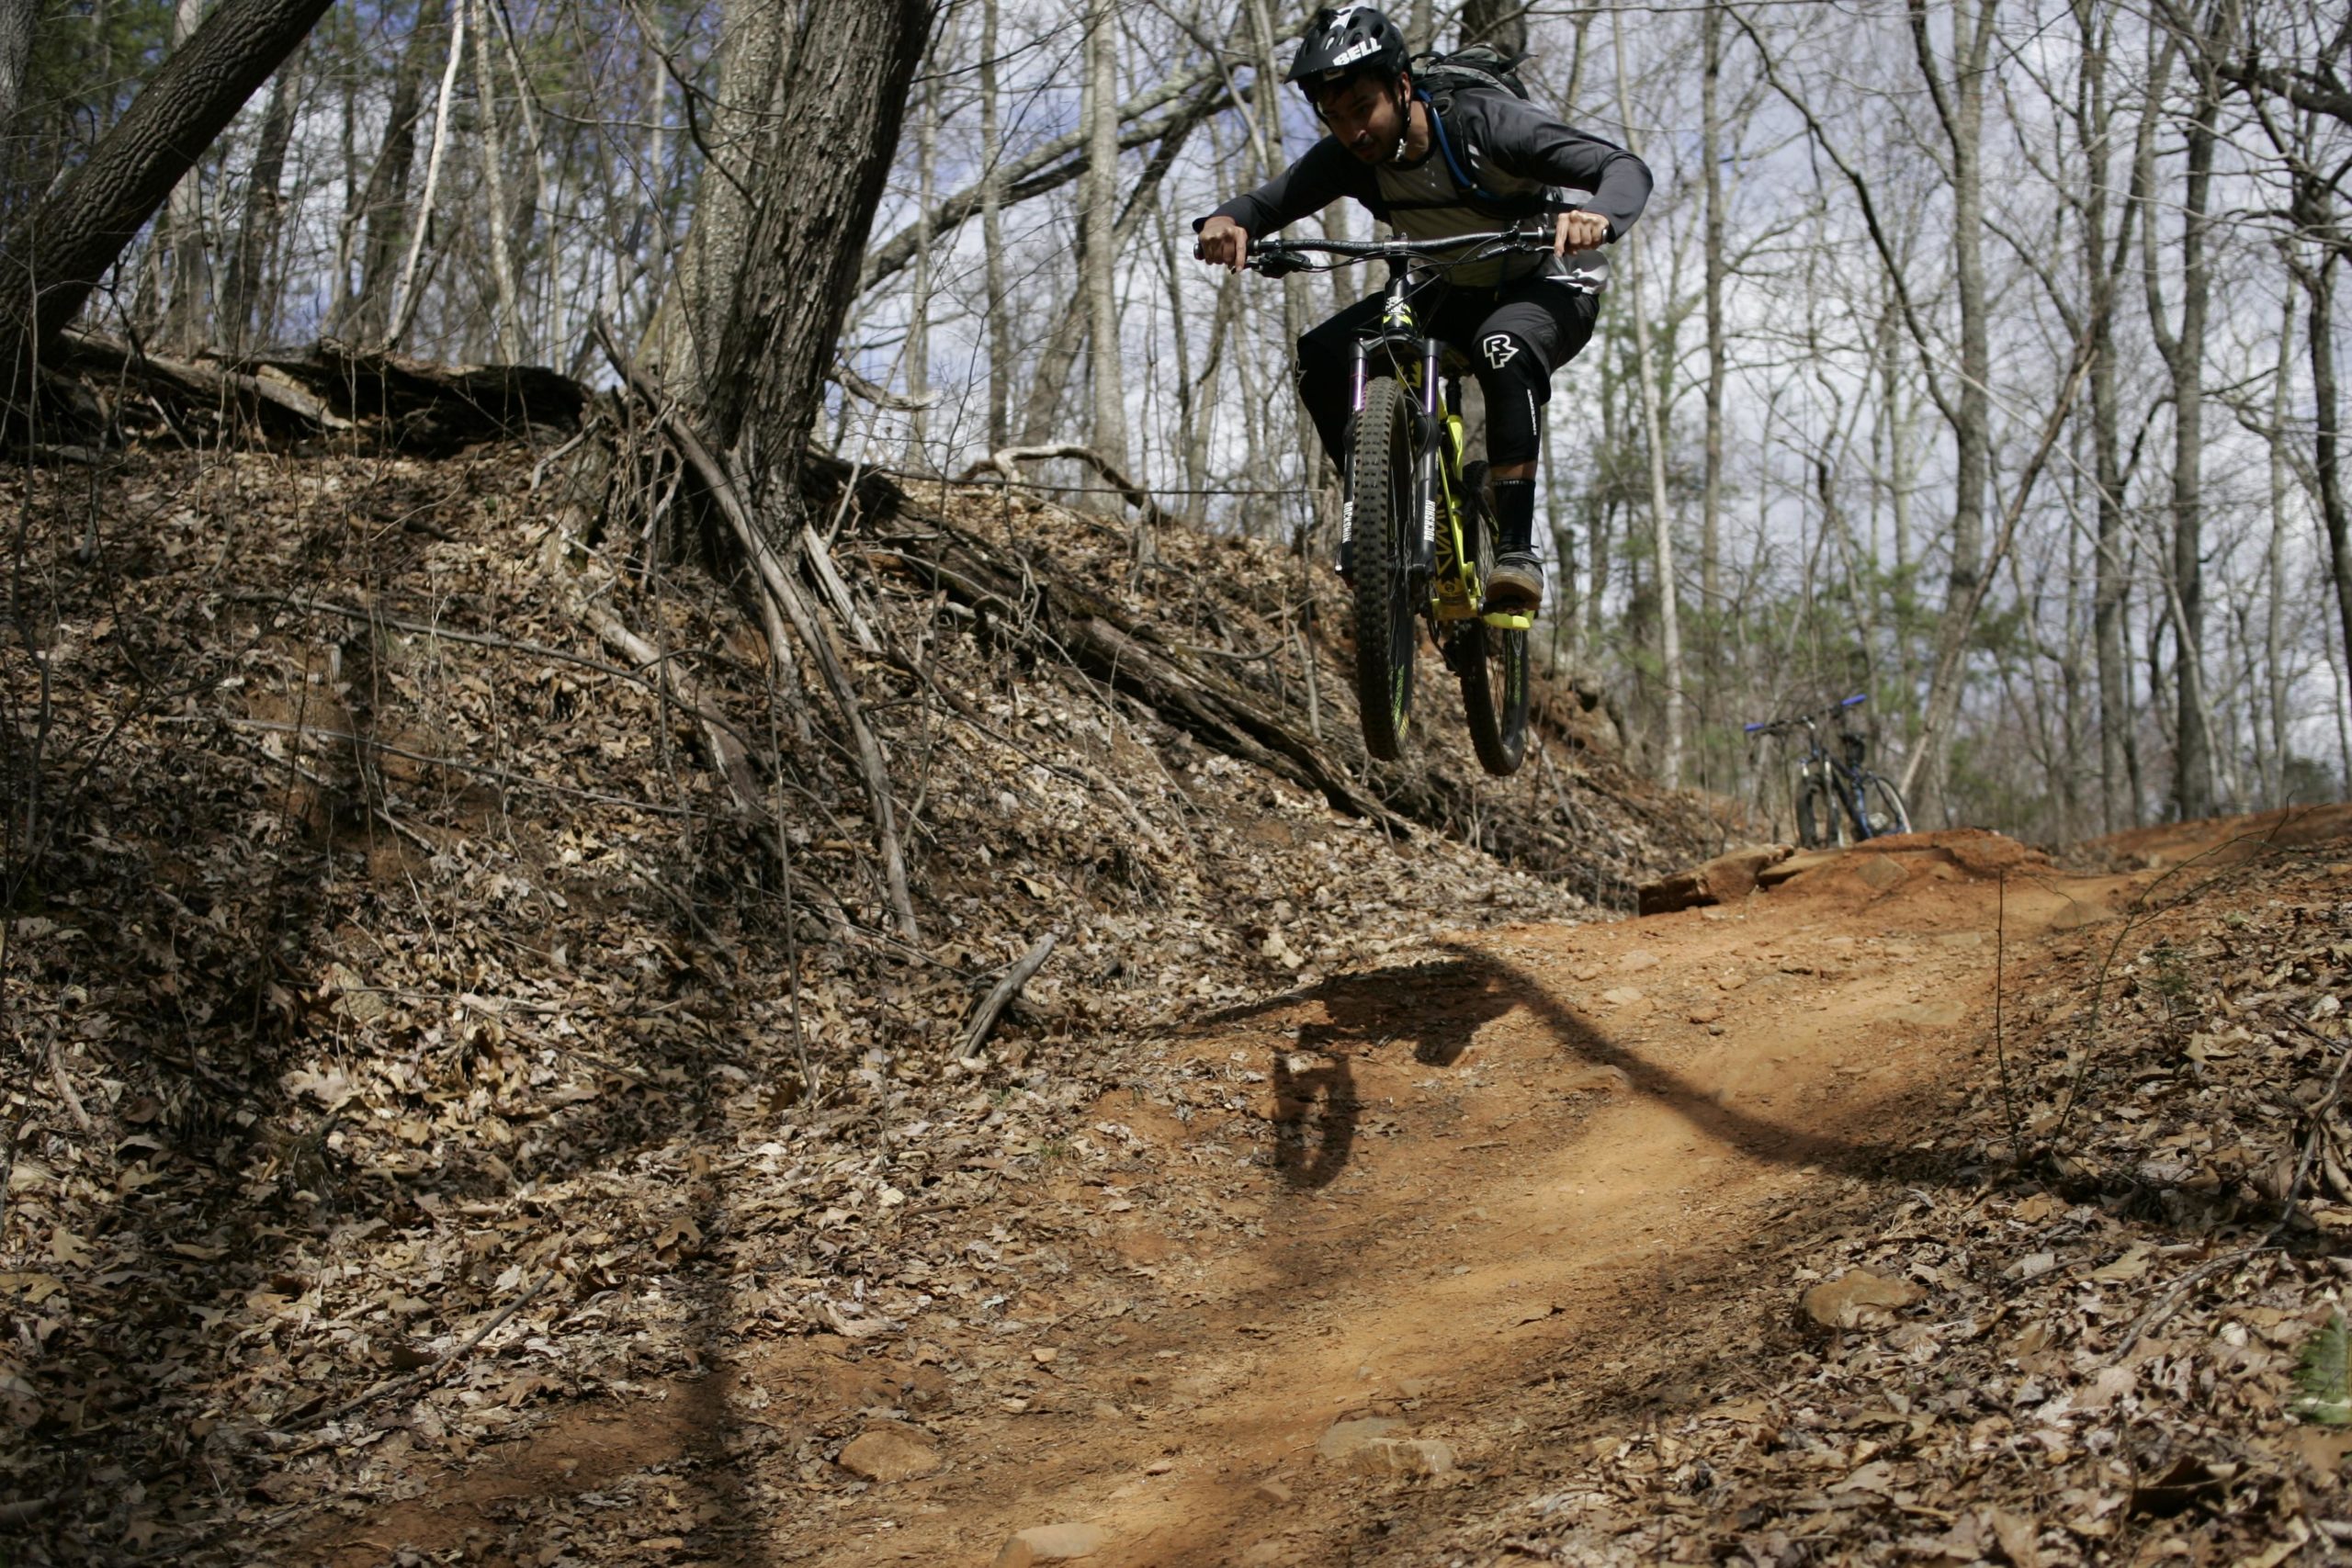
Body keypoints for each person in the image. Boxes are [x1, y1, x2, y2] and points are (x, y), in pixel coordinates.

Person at [1194, 5, 1652, 615]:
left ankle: (1517, 552)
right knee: (1325, 357)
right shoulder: (1348, 157)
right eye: (1334, 118)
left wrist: (1599, 214)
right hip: (1450, 284)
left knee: (1503, 346)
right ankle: (1380, 522)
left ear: (1401, 86)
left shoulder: (1488, 125)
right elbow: (1262, 203)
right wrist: (1226, 223)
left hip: (1544, 282)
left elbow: (1622, 167)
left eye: (1363, 109)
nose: (1353, 130)